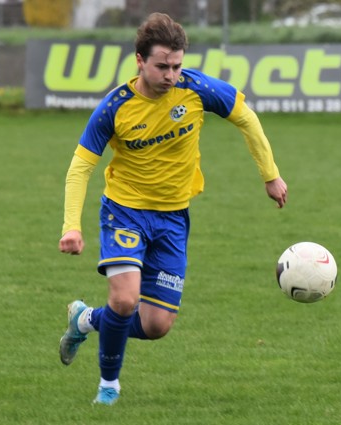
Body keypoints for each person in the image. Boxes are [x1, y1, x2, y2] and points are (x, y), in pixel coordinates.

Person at [58, 13, 287, 405]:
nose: (171, 75)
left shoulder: (196, 89)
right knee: (126, 300)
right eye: (162, 66)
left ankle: (86, 319)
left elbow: (246, 119)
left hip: (173, 218)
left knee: (157, 325)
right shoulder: (115, 107)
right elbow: (81, 166)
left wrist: (270, 175)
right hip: (125, 211)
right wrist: (72, 226)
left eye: (177, 65)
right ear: (140, 61)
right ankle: (108, 386)